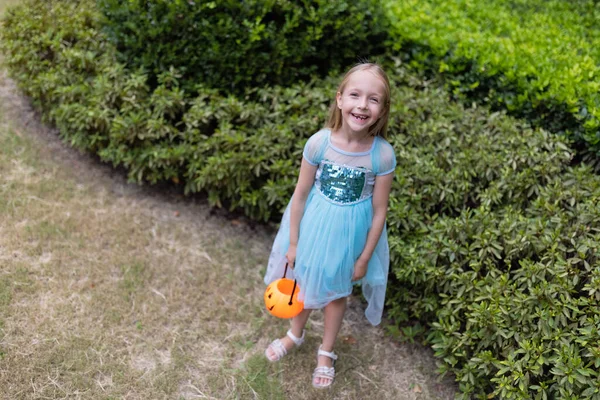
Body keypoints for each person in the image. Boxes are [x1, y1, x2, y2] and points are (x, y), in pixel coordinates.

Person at [263, 62, 396, 389]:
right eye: (355, 95)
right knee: (305, 281)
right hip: (314, 227)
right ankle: (295, 333)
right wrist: (293, 243)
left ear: (381, 111)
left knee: (337, 294)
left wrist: (364, 257)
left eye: (373, 99)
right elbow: (301, 194)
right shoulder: (319, 144)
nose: (363, 104)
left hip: (350, 236)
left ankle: (326, 351)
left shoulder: (382, 155)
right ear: (339, 100)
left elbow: (379, 211)